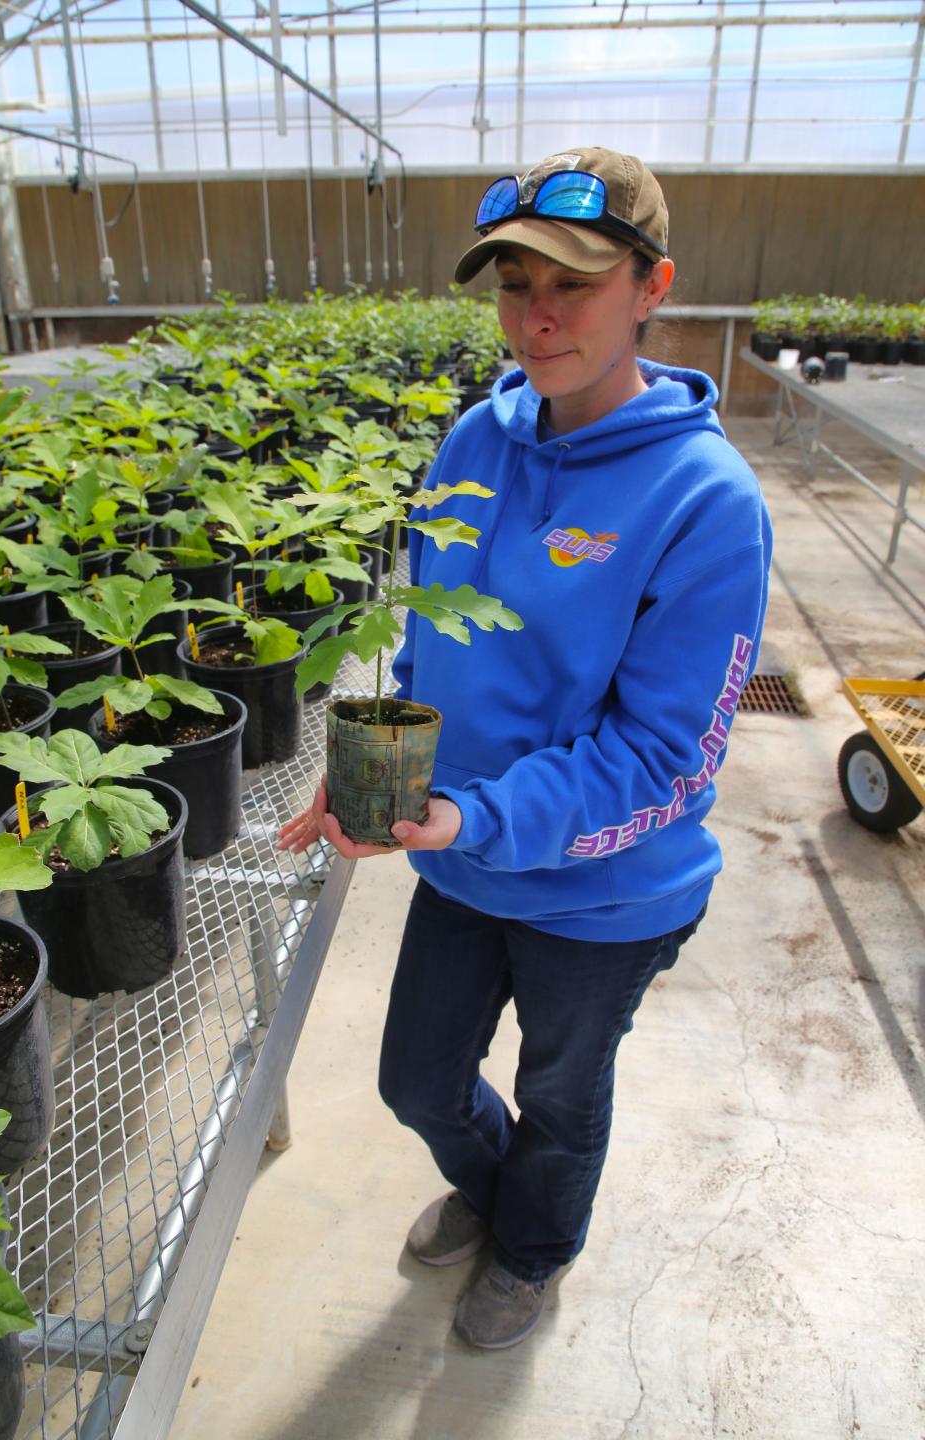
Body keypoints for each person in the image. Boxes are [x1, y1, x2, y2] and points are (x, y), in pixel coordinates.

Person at [278, 146, 772, 1351]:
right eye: (512, 283)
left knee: (562, 1092)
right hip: (462, 860)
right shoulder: (474, 445)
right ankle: (491, 1185)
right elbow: (432, 652)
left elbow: (667, 758)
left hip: (603, 893)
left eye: (575, 284)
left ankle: (535, 1249)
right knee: (416, 1080)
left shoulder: (704, 501)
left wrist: (474, 816)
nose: (535, 315)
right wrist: (372, 772)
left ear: (653, 288)